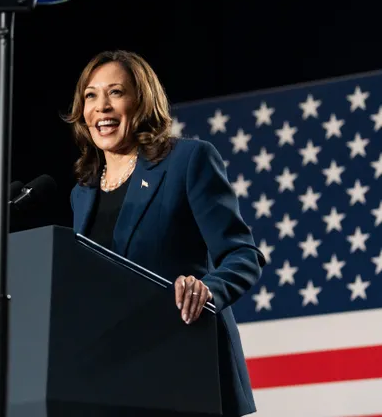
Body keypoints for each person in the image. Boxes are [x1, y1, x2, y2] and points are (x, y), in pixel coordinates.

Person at [63, 50, 266, 417]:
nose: (101, 107)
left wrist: (207, 291)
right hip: (116, 376)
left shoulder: (187, 160)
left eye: (116, 93)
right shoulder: (83, 192)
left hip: (186, 362)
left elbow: (243, 256)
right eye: (91, 95)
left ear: (142, 101)